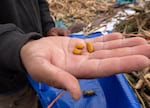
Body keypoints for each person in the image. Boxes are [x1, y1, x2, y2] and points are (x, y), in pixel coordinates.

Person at [1, 0, 150, 108]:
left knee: (35, 97)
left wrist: (48, 27)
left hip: (37, 61)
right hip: (6, 83)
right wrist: (19, 46)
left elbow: (40, 3)